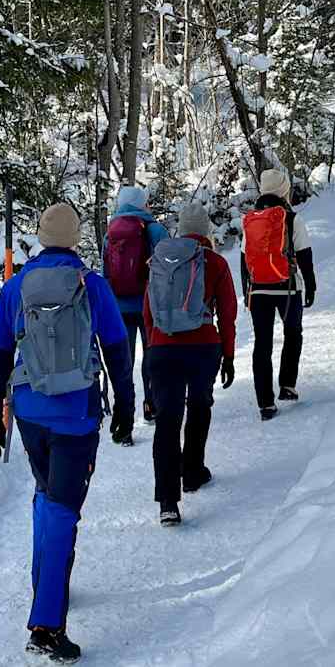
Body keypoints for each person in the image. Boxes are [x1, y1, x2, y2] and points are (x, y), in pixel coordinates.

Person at [0, 202, 134, 664]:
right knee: (65, 507)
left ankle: (43, 578)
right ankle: (47, 625)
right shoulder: (93, 286)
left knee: (46, 493)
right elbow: (116, 349)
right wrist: (125, 403)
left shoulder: (16, 286)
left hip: (28, 410)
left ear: (42, 237)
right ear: (75, 237)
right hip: (76, 412)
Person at [141, 203, 237, 526]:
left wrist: (153, 348)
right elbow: (227, 314)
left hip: (163, 349)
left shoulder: (159, 261)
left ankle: (168, 502)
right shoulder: (216, 263)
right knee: (199, 407)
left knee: (167, 419)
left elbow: (148, 312)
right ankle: (192, 472)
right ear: (206, 229)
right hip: (203, 348)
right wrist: (229, 355)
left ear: (181, 229)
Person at [240, 168, 316, 421]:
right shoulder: (292, 218)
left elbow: (244, 259)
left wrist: (247, 290)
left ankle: (265, 403)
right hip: (287, 287)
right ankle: (287, 385)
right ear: (284, 190)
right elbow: (304, 255)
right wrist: (311, 286)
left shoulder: (251, 219)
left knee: (262, 343)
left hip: (258, 289)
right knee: (292, 333)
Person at [102, 185, 169, 438]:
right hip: (149, 305)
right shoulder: (155, 230)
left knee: (124, 362)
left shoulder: (111, 233)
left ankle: (125, 420)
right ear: (143, 204)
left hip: (119, 307)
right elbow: (168, 271)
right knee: (152, 356)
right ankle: (151, 405)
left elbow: (105, 273)